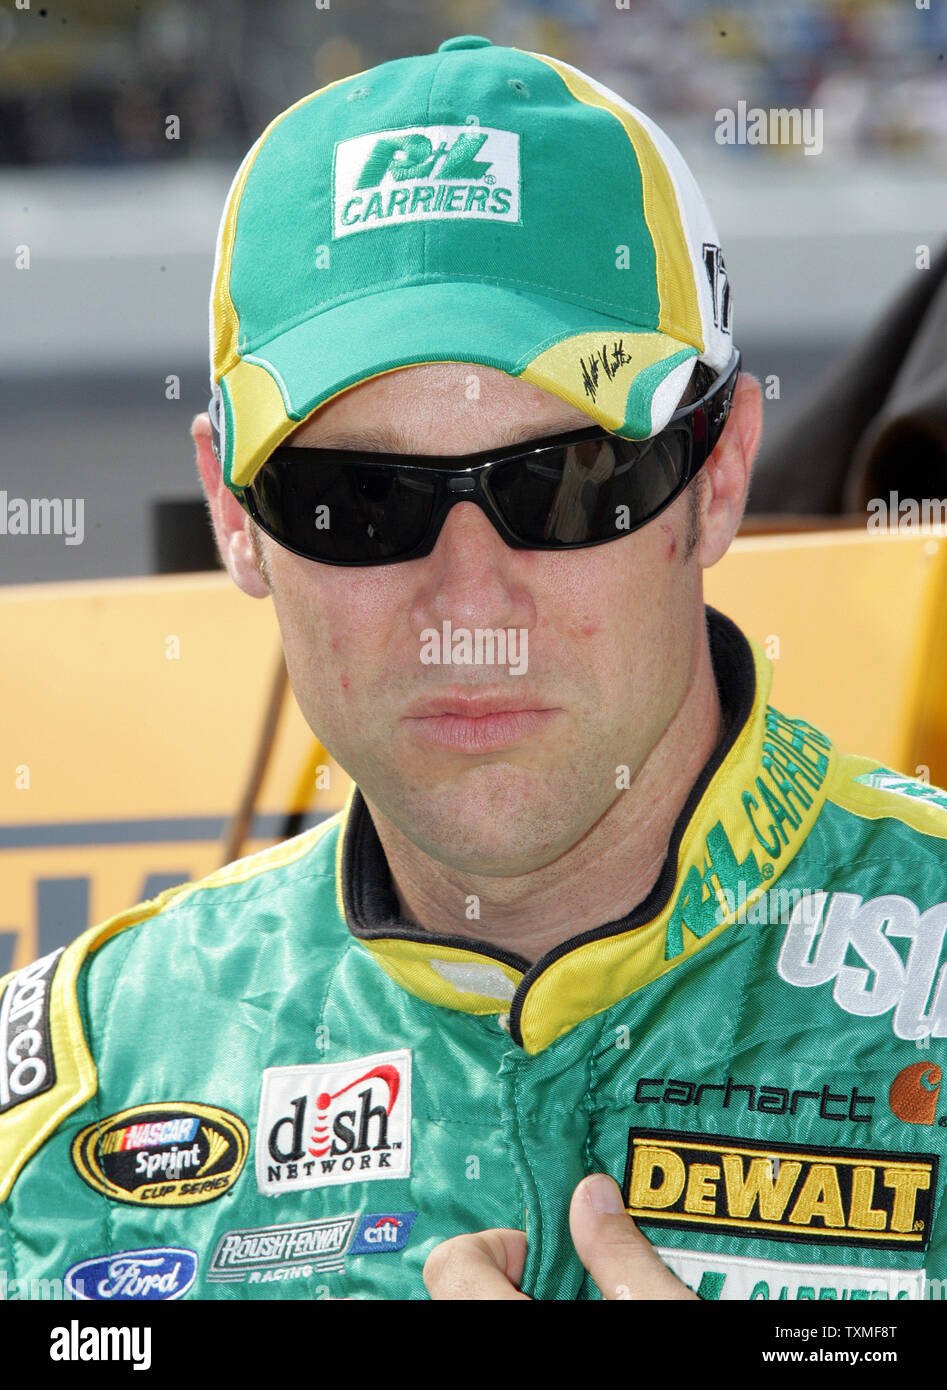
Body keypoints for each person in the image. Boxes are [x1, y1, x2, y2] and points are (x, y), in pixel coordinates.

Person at [2, 36, 946, 1306]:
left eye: (560, 483)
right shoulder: (72, 1103)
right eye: (357, 499)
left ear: (715, 478)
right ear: (234, 516)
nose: (467, 605)